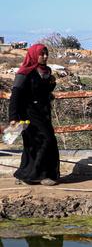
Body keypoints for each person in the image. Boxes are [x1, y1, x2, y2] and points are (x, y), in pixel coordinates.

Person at [8, 44, 59, 185]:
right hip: (29, 113)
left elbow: (41, 91)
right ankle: (34, 175)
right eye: (41, 54)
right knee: (43, 140)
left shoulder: (46, 71)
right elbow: (15, 95)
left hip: (43, 112)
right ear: (33, 55)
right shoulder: (24, 73)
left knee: (45, 141)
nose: (45, 56)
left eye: (46, 53)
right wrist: (13, 117)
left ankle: (41, 174)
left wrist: (51, 86)